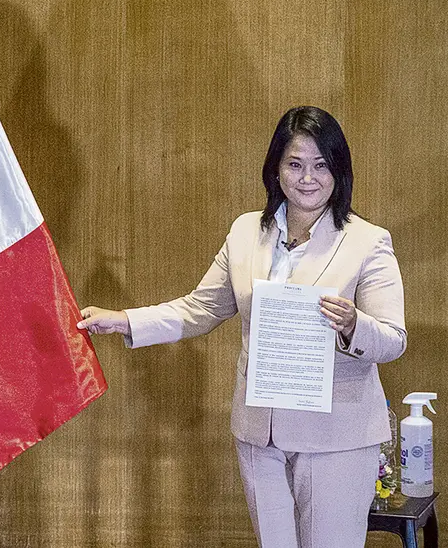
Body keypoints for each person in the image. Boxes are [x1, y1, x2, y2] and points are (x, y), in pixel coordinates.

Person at [78, 106, 406, 547]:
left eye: (320, 166)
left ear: (339, 171)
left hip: (337, 438)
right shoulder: (246, 231)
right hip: (259, 433)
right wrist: (124, 320)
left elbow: (393, 339)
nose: (307, 178)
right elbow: (201, 308)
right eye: (294, 164)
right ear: (275, 169)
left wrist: (352, 325)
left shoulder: (368, 241)